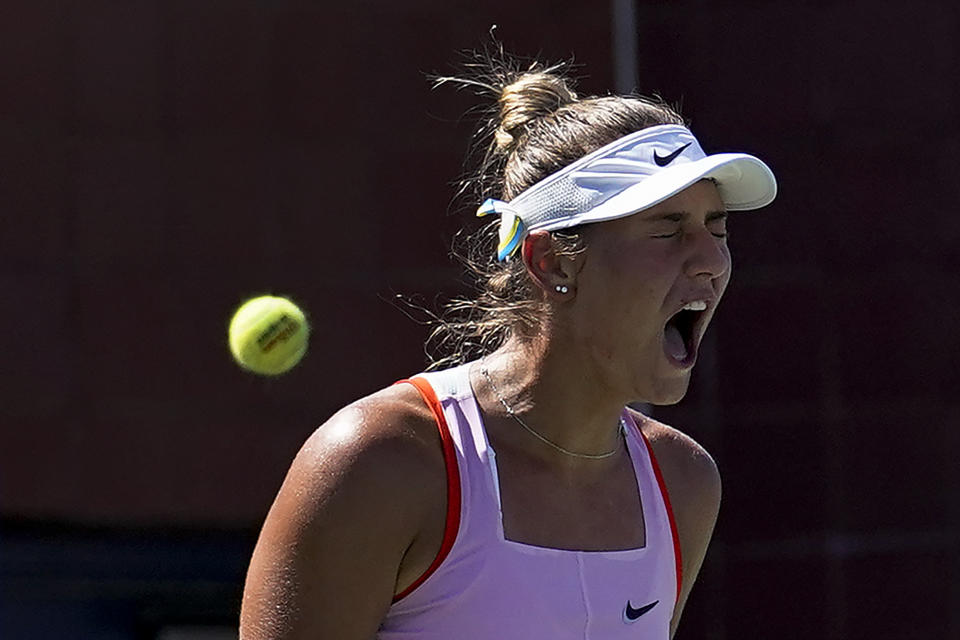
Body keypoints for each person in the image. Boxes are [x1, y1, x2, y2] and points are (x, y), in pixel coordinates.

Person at [239, 55, 777, 640]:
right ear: (551, 262)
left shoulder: (684, 483)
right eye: (669, 228)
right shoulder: (382, 461)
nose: (711, 261)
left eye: (717, 228)